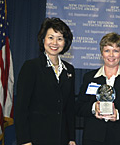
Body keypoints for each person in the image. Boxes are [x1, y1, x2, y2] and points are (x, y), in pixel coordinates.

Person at [14, 17, 76, 145]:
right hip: (36, 139)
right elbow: (21, 108)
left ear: (65, 42)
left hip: (62, 139)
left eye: (60, 38)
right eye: (51, 37)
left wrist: (71, 138)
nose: (55, 42)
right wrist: (25, 140)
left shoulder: (69, 70)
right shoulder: (31, 67)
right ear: (43, 40)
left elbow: (69, 108)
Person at [75, 32, 120, 145]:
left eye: (115, 51)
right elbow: (79, 107)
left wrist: (118, 114)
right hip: (93, 139)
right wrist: (93, 108)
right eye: (107, 50)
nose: (111, 55)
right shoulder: (90, 77)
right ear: (101, 53)